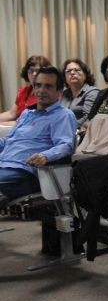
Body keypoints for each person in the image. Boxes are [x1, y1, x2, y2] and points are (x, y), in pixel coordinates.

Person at [0, 67, 77, 206]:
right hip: (4, 165)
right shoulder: (27, 113)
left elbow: (66, 145)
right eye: (38, 85)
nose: (41, 90)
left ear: (59, 91)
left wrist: (46, 156)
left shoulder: (63, 115)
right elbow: (9, 141)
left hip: (26, 173)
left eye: (48, 86)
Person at [0, 55, 52, 124]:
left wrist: (11, 123)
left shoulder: (50, 93)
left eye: (38, 70)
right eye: (31, 70)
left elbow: (41, 120)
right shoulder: (23, 91)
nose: (34, 74)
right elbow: (11, 114)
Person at [59, 58, 99, 126]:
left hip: (82, 132)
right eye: (68, 71)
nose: (72, 73)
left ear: (85, 75)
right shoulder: (65, 93)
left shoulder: (92, 92)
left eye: (77, 70)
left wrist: (67, 127)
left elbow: (89, 117)